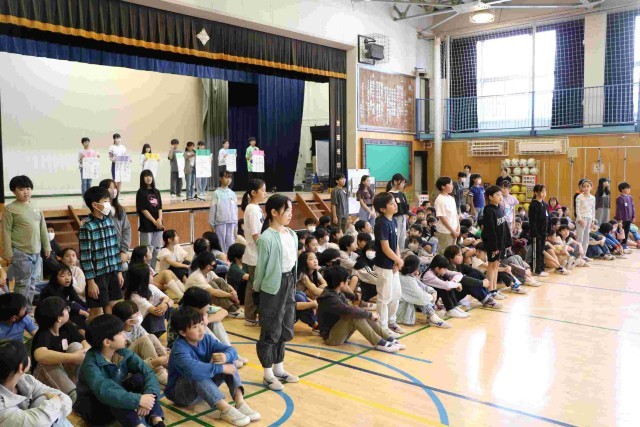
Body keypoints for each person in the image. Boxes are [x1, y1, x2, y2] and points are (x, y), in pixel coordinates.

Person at [165, 307, 260, 426]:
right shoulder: (179, 349)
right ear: (182, 332)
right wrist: (221, 368)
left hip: (202, 390)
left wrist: (226, 356)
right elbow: (194, 370)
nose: (201, 329)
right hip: (181, 395)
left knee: (227, 361)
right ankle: (225, 409)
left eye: (201, 324)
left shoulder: (206, 339)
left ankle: (240, 402)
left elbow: (232, 351)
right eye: (195, 327)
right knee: (196, 373)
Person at [74, 314, 165, 427]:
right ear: (107, 342)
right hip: (95, 410)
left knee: (139, 379)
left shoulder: (122, 352)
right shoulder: (90, 363)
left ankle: (157, 421)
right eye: (120, 333)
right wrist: (138, 400)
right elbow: (105, 391)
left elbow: (148, 372)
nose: (125, 336)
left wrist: (149, 396)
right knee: (115, 393)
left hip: (115, 400)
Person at [253, 194, 299, 391]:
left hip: (289, 282)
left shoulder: (292, 234)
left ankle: (279, 369)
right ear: (273, 212)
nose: (290, 214)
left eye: (291, 210)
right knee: (271, 328)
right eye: (286, 210)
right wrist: (257, 291)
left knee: (285, 326)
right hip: (272, 286)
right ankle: (268, 374)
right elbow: (261, 269)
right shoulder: (266, 238)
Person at [317, 266, 404, 352]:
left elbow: (352, 307)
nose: (348, 282)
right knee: (355, 316)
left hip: (339, 332)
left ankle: (388, 338)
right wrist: (370, 314)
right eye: (346, 281)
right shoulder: (330, 298)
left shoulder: (336, 293)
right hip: (331, 338)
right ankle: (379, 343)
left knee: (361, 313)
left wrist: (367, 314)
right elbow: (349, 311)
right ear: (341, 284)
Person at [3, 175, 50, 310]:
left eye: (28, 189)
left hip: (36, 251)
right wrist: (8, 253)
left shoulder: (36, 207)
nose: (26, 192)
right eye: (22, 189)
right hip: (20, 251)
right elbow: (6, 231)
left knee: (33, 282)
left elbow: (43, 228)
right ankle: (19, 310)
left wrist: (47, 247)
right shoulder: (10, 209)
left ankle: (28, 309)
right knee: (23, 283)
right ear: (14, 191)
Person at [0, 339, 73, 427]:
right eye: (26, 356)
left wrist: (53, 409)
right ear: (21, 367)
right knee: (52, 413)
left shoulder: (26, 379)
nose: (29, 357)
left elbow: (65, 400)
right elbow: (34, 423)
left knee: (44, 401)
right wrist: (55, 402)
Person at [32, 296, 90, 404]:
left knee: (77, 346)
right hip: (44, 378)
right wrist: (73, 357)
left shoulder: (67, 327)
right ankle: (75, 397)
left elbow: (85, 343)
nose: (68, 311)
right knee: (47, 362)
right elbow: (39, 355)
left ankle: (79, 384)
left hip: (65, 373)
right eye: (66, 309)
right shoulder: (43, 334)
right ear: (59, 318)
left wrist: (83, 352)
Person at [79, 186, 124, 321]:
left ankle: (112, 331)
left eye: (108, 201)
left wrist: (119, 271)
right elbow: (86, 257)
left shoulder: (109, 221)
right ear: (94, 205)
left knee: (114, 307)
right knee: (96, 312)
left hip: (112, 272)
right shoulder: (87, 227)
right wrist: (91, 281)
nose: (108, 204)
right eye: (105, 201)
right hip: (97, 275)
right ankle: (87, 332)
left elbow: (115, 248)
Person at [112, 300, 169, 385]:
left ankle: (169, 363)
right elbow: (124, 353)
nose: (139, 314)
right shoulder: (118, 333)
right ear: (129, 321)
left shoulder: (136, 326)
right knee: (144, 340)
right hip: (125, 360)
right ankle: (159, 372)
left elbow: (149, 338)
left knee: (151, 336)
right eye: (136, 314)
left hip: (137, 356)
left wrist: (163, 350)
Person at [373, 192, 404, 339]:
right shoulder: (381, 223)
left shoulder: (394, 221)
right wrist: (397, 260)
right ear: (383, 209)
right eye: (391, 204)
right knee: (384, 297)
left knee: (396, 294)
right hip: (384, 265)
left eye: (394, 202)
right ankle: (382, 326)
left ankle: (392, 321)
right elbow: (385, 247)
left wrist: (397, 260)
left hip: (393, 264)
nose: (395, 205)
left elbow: (395, 243)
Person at [185, 252, 245, 319]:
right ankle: (232, 310)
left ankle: (235, 308)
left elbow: (223, 283)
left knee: (220, 280)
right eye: (214, 262)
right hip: (193, 303)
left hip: (203, 299)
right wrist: (230, 295)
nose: (215, 263)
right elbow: (214, 292)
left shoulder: (209, 272)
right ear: (208, 266)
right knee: (212, 284)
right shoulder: (197, 277)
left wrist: (233, 291)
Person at [398, 255, 450, 328]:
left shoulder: (408, 276)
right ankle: (433, 317)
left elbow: (423, 286)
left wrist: (432, 292)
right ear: (416, 268)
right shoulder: (407, 280)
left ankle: (432, 316)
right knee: (421, 297)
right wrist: (432, 297)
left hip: (401, 305)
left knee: (423, 294)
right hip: (397, 312)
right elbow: (421, 298)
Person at [240, 179, 266, 327]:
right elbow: (256, 234)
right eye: (262, 190)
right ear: (254, 193)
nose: (265, 193)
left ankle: (252, 316)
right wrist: (264, 251)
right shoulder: (252, 209)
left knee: (254, 285)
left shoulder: (255, 208)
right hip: (256, 254)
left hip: (256, 253)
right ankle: (250, 316)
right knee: (254, 287)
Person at [125, 263, 174, 337]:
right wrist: (166, 303)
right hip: (141, 323)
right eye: (150, 274)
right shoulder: (135, 296)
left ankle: (174, 333)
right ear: (143, 278)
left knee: (170, 309)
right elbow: (157, 312)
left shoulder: (150, 287)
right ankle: (155, 337)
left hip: (151, 317)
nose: (152, 275)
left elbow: (168, 299)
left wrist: (166, 304)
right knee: (156, 312)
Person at [481, 185, 512, 297]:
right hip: (493, 244)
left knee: (496, 265)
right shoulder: (488, 210)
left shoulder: (500, 208)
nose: (500, 197)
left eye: (501, 195)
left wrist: (507, 241)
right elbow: (490, 230)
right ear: (490, 197)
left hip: (500, 243)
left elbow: (504, 227)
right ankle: (490, 290)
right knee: (492, 265)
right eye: (497, 195)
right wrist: (494, 246)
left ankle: (494, 289)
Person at [39, 265, 89, 331]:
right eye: (63, 276)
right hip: (48, 313)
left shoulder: (68, 287)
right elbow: (64, 302)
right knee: (74, 310)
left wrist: (88, 308)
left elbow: (76, 299)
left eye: (69, 275)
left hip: (61, 308)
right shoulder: (50, 289)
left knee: (77, 309)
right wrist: (82, 312)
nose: (67, 278)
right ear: (55, 278)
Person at [99, 179, 132, 271]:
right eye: (110, 187)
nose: (113, 190)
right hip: (105, 253)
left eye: (114, 187)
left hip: (119, 251)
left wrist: (124, 251)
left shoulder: (120, 210)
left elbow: (126, 230)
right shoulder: (100, 210)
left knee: (124, 268)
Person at [136, 170, 164, 269]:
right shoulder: (141, 192)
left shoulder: (156, 191)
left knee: (156, 249)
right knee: (147, 250)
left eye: (150, 176)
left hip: (158, 225)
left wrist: (159, 219)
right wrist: (154, 221)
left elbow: (160, 207)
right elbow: (143, 209)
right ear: (142, 178)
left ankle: (153, 269)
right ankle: (145, 270)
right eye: (146, 176)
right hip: (147, 225)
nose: (149, 178)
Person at [209, 171, 238, 253]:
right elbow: (213, 209)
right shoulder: (216, 193)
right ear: (220, 179)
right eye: (226, 177)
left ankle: (230, 258)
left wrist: (236, 226)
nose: (228, 179)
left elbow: (235, 210)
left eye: (230, 177)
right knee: (221, 243)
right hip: (220, 222)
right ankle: (222, 258)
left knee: (230, 243)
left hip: (231, 222)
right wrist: (212, 224)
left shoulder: (232, 193)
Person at [433, 176, 459, 255]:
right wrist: (452, 231)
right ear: (443, 186)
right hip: (445, 232)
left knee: (453, 254)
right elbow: (442, 218)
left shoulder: (451, 198)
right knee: (444, 253)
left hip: (454, 230)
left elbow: (455, 214)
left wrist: (458, 227)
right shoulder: (440, 200)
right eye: (450, 184)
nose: (452, 186)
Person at [528, 184, 550, 277]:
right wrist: (536, 233)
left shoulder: (545, 204)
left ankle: (540, 268)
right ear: (536, 192)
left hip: (543, 232)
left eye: (545, 191)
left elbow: (548, 218)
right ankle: (536, 270)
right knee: (536, 251)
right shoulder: (533, 205)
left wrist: (548, 231)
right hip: (536, 233)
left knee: (541, 251)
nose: (544, 193)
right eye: (541, 191)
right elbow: (532, 221)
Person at [387, 174, 409, 250]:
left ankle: (401, 254)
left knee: (402, 239)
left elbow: (405, 206)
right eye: (401, 182)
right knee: (395, 239)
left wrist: (406, 214)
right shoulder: (389, 195)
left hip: (403, 218)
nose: (403, 185)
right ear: (395, 182)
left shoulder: (401, 194)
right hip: (394, 218)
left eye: (404, 183)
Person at [575, 179, 596, 257]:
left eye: (588, 186)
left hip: (589, 218)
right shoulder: (579, 197)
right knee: (580, 237)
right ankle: (578, 255)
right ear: (582, 188)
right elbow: (577, 209)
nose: (586, 188)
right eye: (584, 186)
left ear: (591, 187)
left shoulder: (593, 198)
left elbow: (593, 209)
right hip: (582, 218)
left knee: (586, 237)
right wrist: (580, 219)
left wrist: (593, 221)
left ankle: (583, 255)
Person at [615, 182, 635, 247]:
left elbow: (633, 207)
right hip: (622, 219)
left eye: (629, 188)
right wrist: (619, 219)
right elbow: (619, 209)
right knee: (621, 231)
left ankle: (624, 244)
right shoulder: (620, 198)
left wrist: (633, 216)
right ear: (622, 189)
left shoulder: (630, 197)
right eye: (627, 188)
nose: (629, 189)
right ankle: (618, 245)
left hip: (629, 218)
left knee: (627, 231)